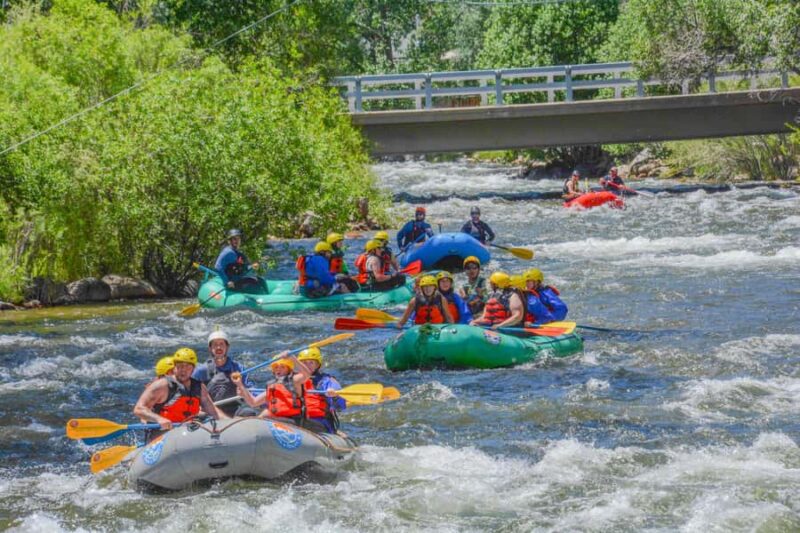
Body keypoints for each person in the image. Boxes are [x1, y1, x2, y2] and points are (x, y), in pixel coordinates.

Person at [134, 348, 228, 442]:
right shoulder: (162, 385)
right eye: (180, 366)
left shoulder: (199, 387)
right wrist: (159, 419)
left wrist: (230, 422)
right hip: (161, 439)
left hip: (186, 436)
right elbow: (139, 409)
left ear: (193, 369)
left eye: (188, 367)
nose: (183, 370)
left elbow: (213, 411)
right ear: (174, 367)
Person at [232, 353, 330, 433]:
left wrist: (292, 358)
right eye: (276, 367)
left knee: (264, 417)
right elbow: (253, 402)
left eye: (282, 367)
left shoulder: (294, 380)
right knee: (245, 412)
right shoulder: (272, 385)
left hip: (294, 420)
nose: (278, 369)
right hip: (278, 419)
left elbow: (307, 374)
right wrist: (240, 384)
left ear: (289, 369)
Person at [191, 328, 253, 417]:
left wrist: (243, 390)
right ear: (210, 348)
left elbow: (251, 391)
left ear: (227, 347)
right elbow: (190, 394)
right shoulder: (201, 370)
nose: (218, 347)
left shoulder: (237, 368)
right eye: (215, 345)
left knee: (249, 412)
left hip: (235, 408)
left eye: (221, 344)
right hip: (211, 411)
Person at [297, 347, 345, 433]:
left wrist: (334, 396)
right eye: (304, 363)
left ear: (318, 365)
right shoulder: (293, 380)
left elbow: (341, 406)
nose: (307, 366)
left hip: (318, 422)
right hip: (296, 419)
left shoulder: (325, 381)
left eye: (311, 363)